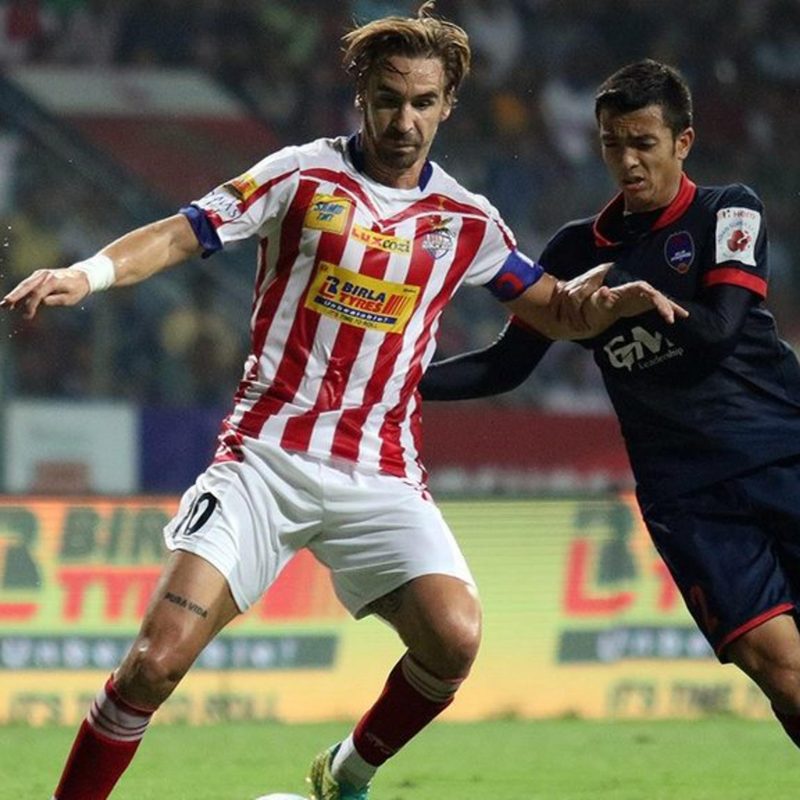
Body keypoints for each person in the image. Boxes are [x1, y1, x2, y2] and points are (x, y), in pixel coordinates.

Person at [2, 9, 681, 798]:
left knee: (454, 639)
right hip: (264, 463)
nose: (404, 120)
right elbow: (183, 233)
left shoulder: (465, 220)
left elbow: (552, 308)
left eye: (423, 102)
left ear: (448, 104)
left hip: (380, 476)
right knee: (153, 665)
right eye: (389, 99)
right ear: (361, 96)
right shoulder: (299, 176)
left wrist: (602, 306)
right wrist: (85, 274)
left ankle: (343, 776)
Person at [420, 58, 800, 749]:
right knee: (781, 671)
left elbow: (718, 332)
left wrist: (628, 292)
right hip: (688, 496)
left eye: (643, 144)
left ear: (683, 142)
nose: (626, 162)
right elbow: (505, 365)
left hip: (782, 456)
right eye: (612, 144)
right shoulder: (574, 251)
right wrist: (395, 379)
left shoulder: (728, 210)